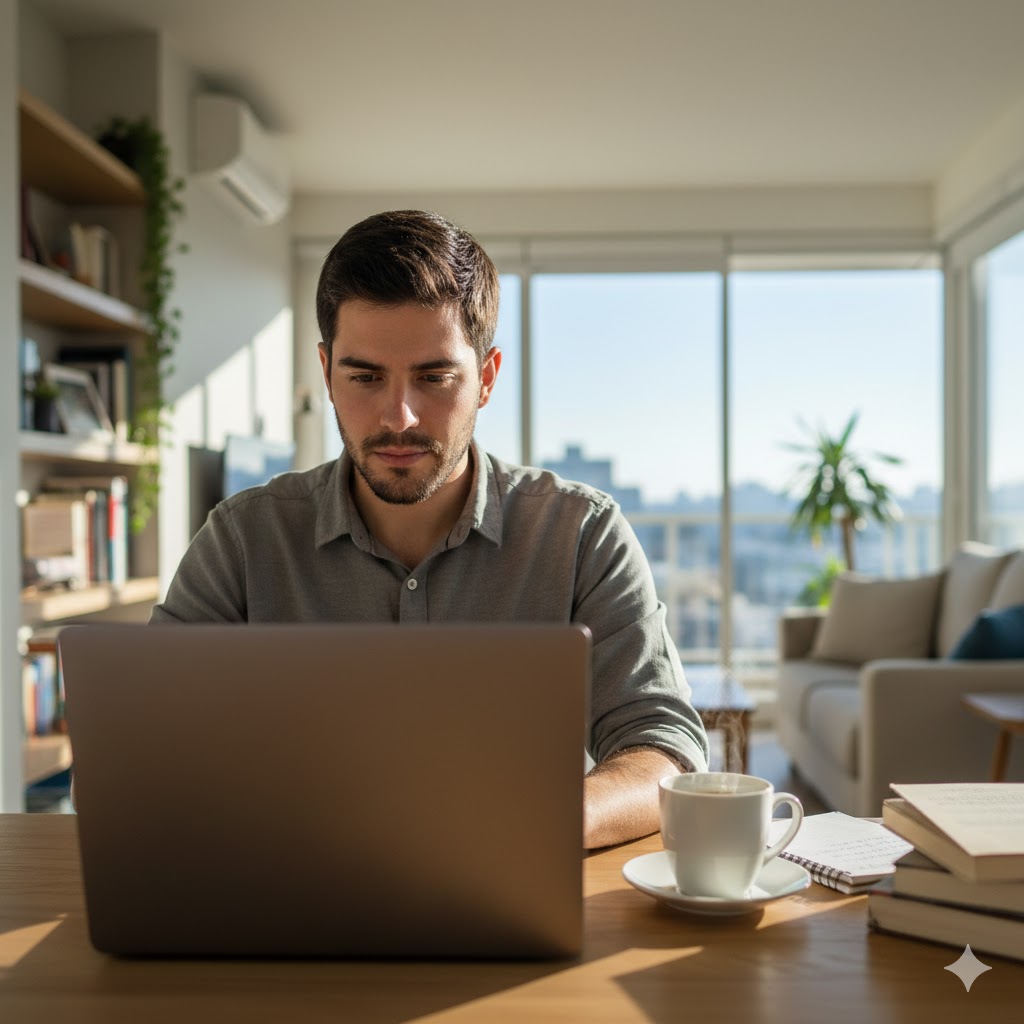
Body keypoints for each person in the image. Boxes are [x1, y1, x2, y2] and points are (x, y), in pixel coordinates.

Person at [151, 209, 709, 848]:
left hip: (515, 879)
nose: (399, 416)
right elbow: (150, 739)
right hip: (291, 882)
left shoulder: (581, 533)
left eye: (435, 377)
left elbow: (663, 747)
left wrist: (542, 818)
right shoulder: (244, 537)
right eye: (364, 377)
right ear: (327, 374)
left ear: (487, 379)